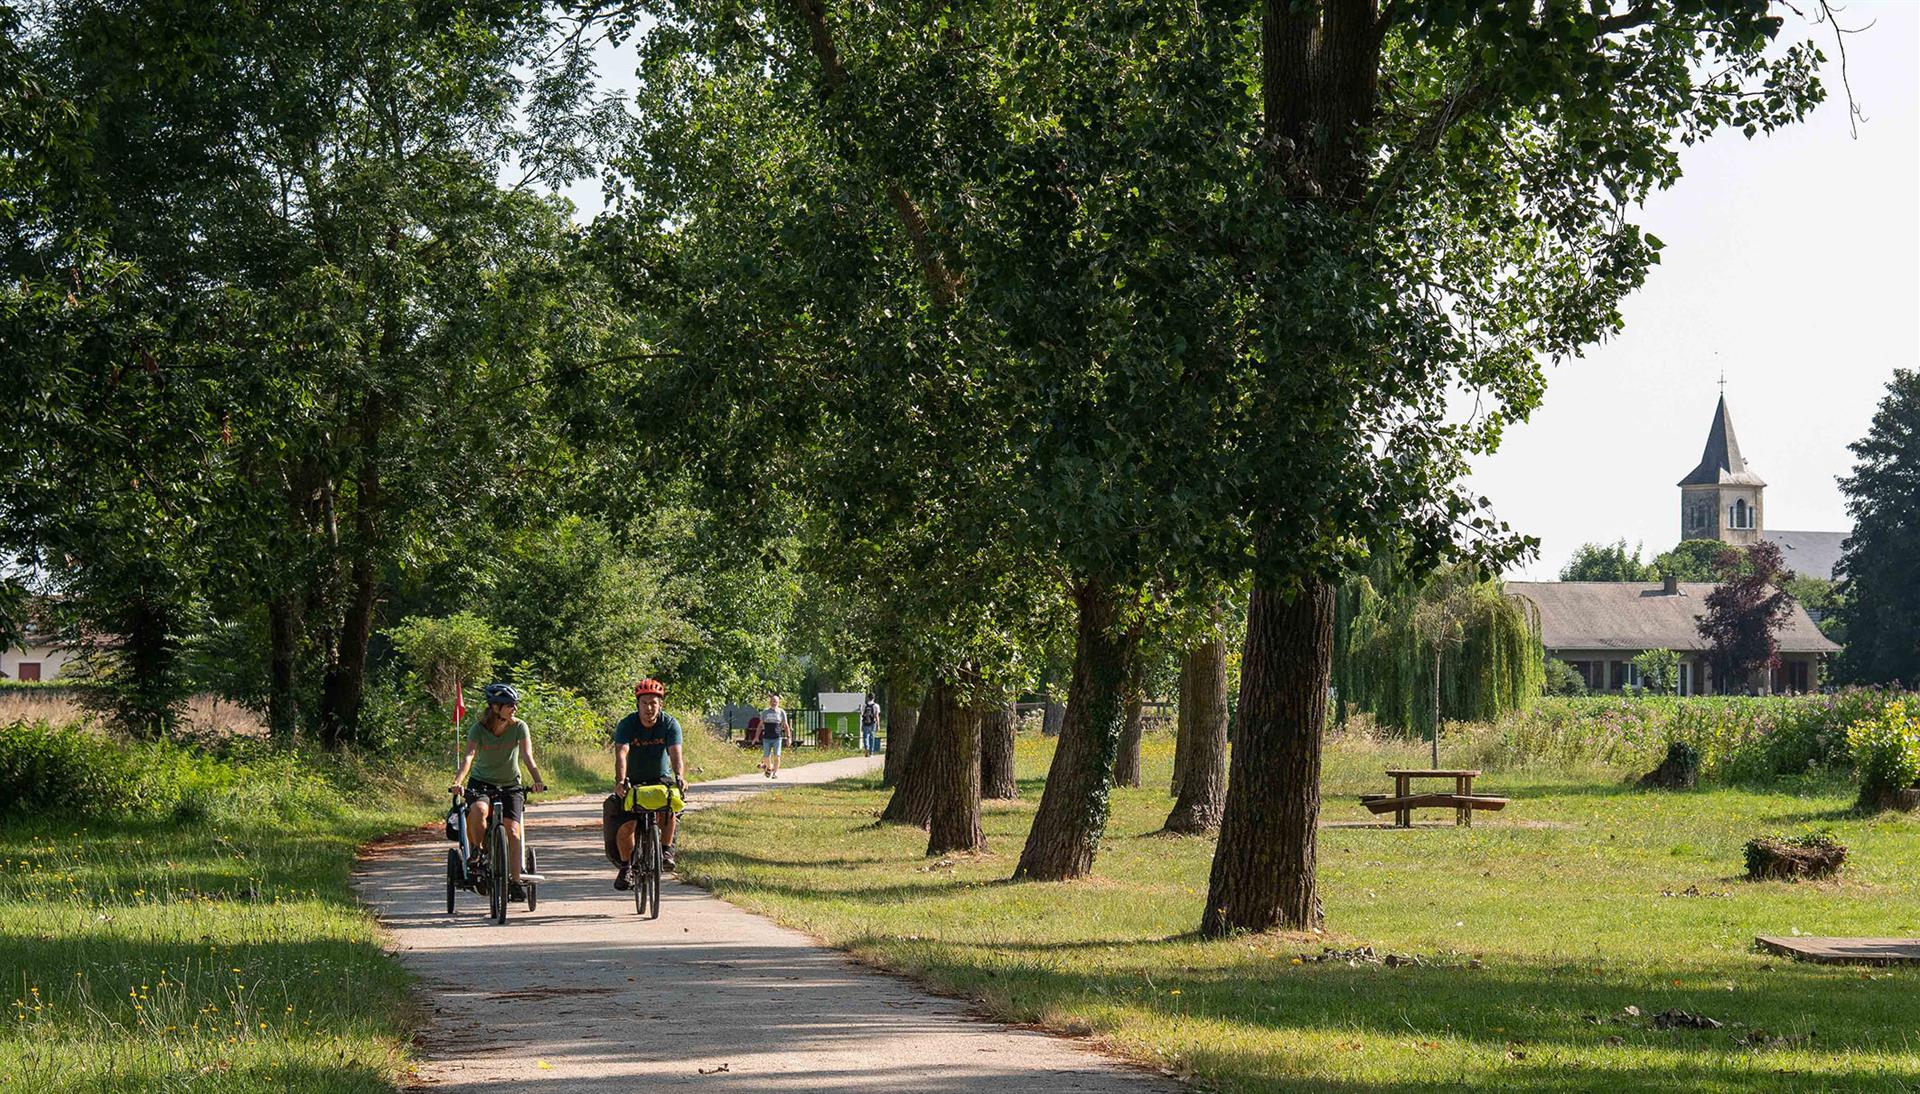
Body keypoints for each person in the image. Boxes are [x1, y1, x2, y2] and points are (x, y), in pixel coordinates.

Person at [448, 683, 547, 901]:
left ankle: (514, 881)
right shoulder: (478, 729)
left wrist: (538, 781)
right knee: (479, 810)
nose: (515, 709)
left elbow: (528, 757)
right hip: (481, 783)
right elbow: (468, 757)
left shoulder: (520, 727)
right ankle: (477, 850)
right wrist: (458, 781)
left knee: (512, 831)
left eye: (515, 704)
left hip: (511, 784)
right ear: (495, 707)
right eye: (509, 705)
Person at [612, 678, 686, 889]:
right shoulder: (627, 724)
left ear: (660, 705)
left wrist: (679, 776)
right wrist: (620, 781)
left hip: (660, 777)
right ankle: (626, 867)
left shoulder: (670, 724)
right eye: (644, 703)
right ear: (638, 704)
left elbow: (675, 753)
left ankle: (666, 850)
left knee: (671, 805)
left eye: (653, 703)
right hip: (632, 779)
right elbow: (622, 753)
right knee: (627, 825)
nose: (649, 708)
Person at [758, 692, 791, 778]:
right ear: (770, 702)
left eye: (775, 701)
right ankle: (769, 767)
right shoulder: (765, 712)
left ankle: (775, 773)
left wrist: (789, 738)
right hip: (767, 738)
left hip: (777, 738)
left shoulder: (781, 712)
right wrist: (756, 737)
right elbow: (760, 725)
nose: (774, 703)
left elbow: (786, 725)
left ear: (778, 702)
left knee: (777, 756)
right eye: (772, 701)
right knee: (766, 757)